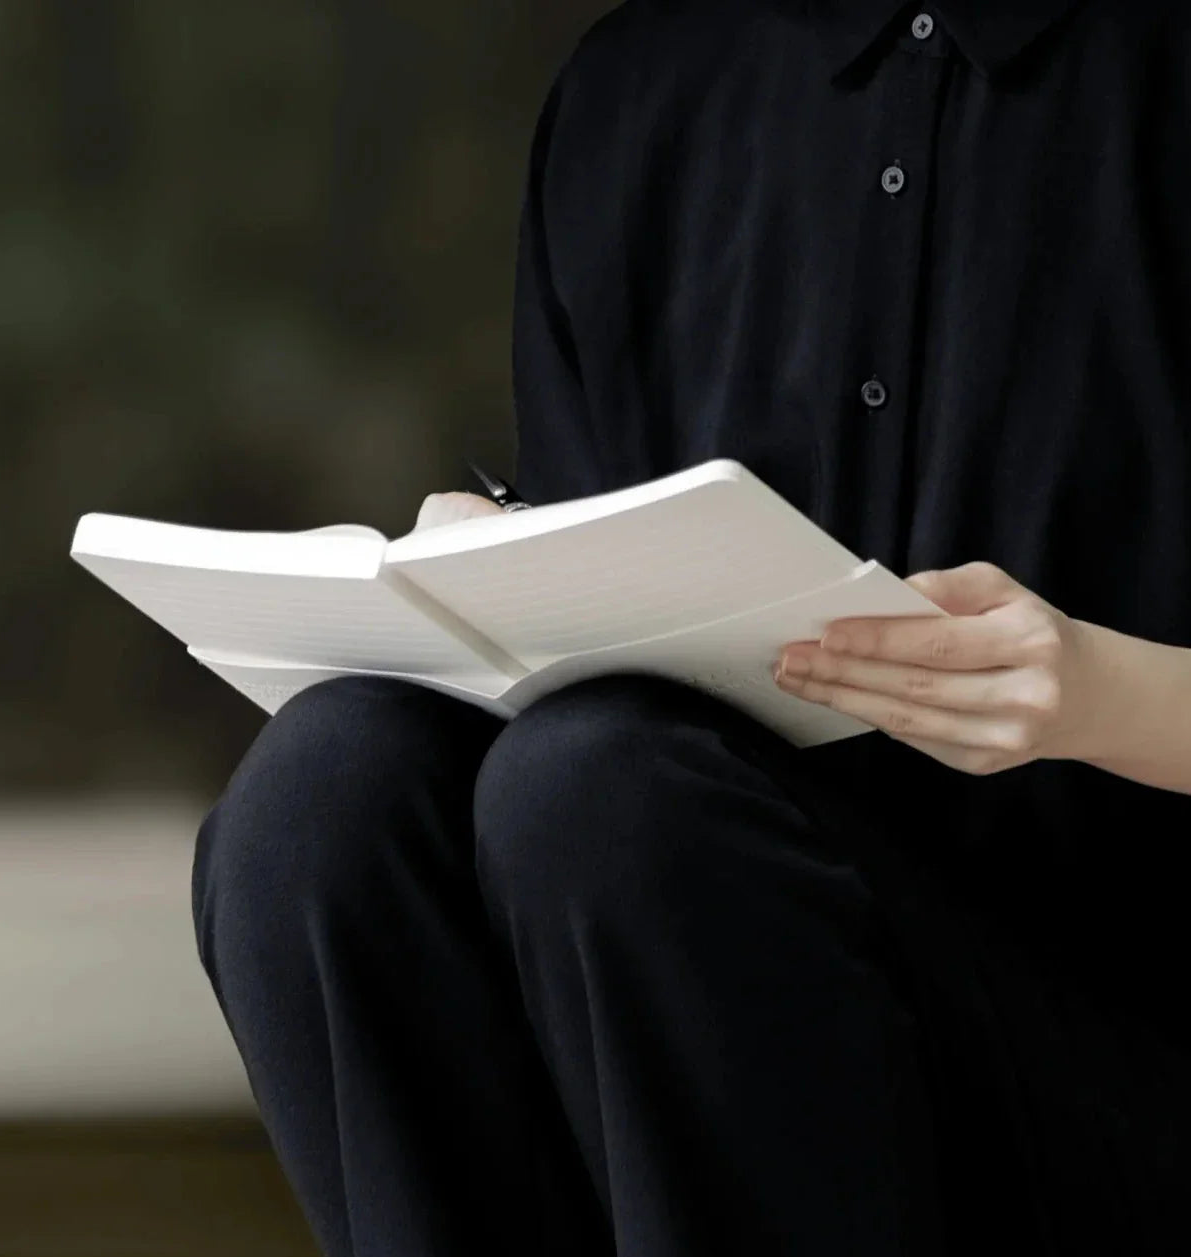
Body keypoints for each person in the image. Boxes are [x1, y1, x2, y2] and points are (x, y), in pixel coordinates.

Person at [191, 2, 1191, 1253]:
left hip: (1130, 1055)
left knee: (599, 792)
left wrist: (1118, 694)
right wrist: (487, 577)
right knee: (320, 794)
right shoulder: (638, 86)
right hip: (692, 1003)